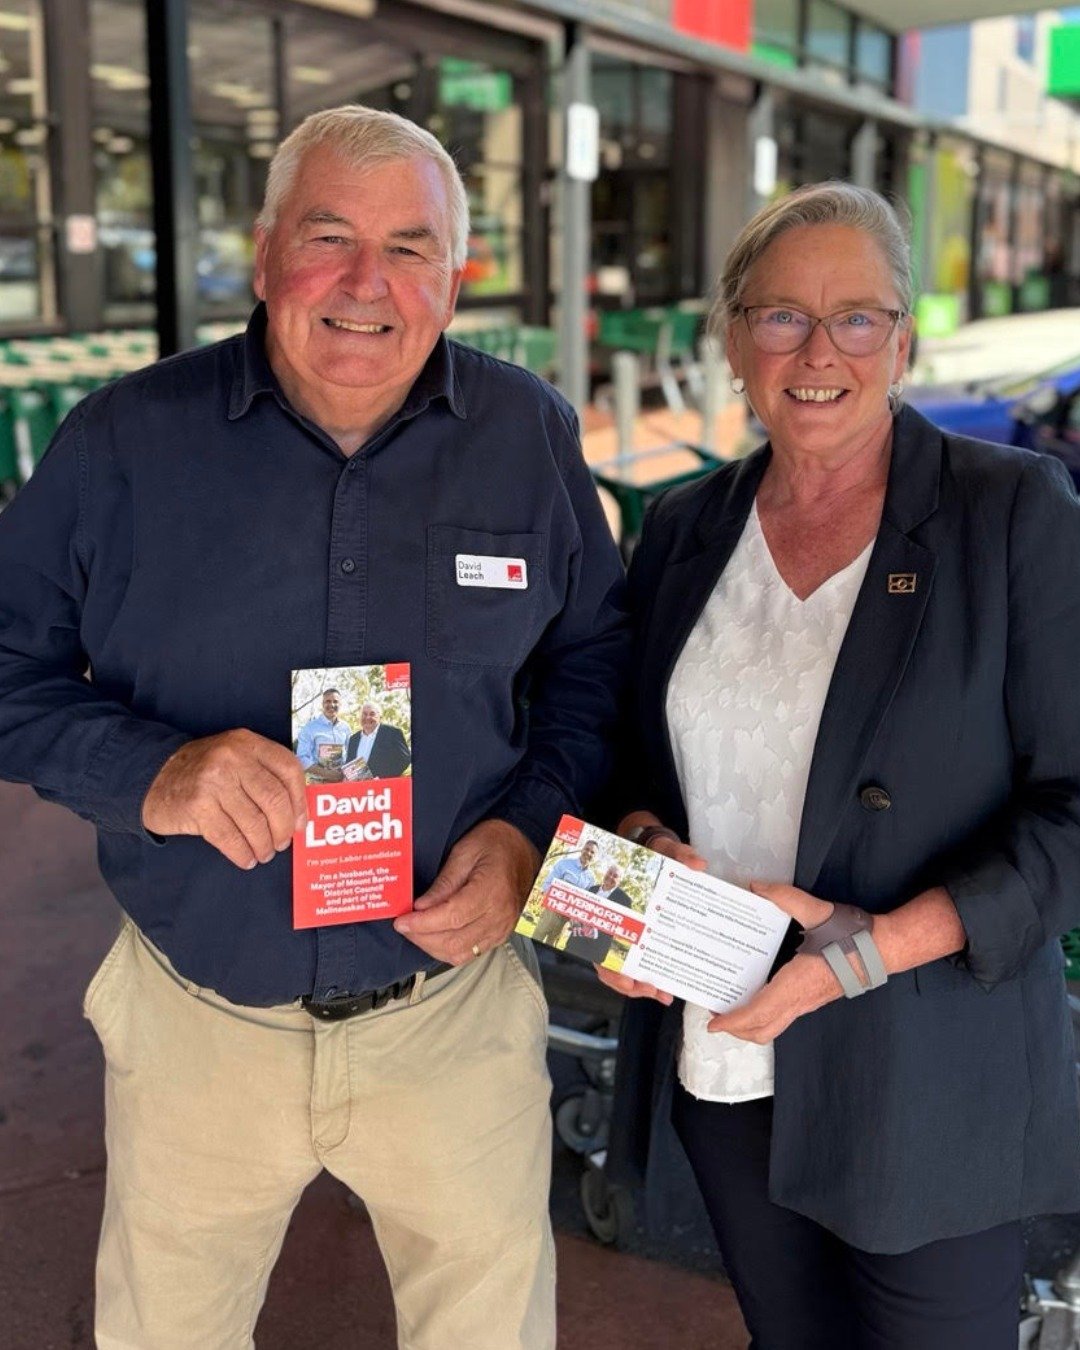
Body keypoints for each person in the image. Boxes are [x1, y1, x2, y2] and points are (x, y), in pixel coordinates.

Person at [0, 105, 629, 1350]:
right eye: (330, 236)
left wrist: (523, 837)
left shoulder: (528, 437)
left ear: (456, 276)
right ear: (265, 249)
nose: (366, 284)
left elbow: (592, 665)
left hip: (450, 1016)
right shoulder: (124, 442)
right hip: (201, 1023)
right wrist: (152, 772)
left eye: (409, 247)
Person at [600, 182, 1080, 1350]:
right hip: (727, 1047)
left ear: (903, 342)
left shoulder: (1009, 511)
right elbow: (620, 759)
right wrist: (641, 867)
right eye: (781, 317)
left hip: (925, 1069)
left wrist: (859, 954)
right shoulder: (680, 529)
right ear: (730, 341)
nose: (819, 352)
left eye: (858, 318)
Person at [531, 837, 600, 945]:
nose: (588, 853)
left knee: (551, 946)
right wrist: (552, 902)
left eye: (592, 852)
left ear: (595, 856)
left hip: (567, 919)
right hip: (551, 912)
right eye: (587, 849)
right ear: (582, 849)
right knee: (535, 939)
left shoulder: (591, 878)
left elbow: (585, 902)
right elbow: (547, 884)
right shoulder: (564, 864)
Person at [563, 862, 633, 963]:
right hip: (575, 943)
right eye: (609, 873)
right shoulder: (592, 889)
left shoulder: (624, 900)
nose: (610, 877)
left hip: (596, 951)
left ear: (619, 880)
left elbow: (624, 927)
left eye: (615, 876)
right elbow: (577, 912)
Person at [342, 699, 410, 779]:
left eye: (372, 714)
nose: (367, 717)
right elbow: (349, 764)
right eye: (364, 714)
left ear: (379, 716)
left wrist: (383, 778)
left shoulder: (393, 733)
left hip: (385, 787)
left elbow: (405, 759)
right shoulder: (353, 739)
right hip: (359, 788)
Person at [295, 686, 352, 777]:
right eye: (328, 701)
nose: (332, 705)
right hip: (318, 783)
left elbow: (351, 754)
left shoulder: (346, 727)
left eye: (335, 701)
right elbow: (302, 758)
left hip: (342, 781)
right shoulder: (309, 728)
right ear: (322, 704)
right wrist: (327, 774)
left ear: (340, 704)